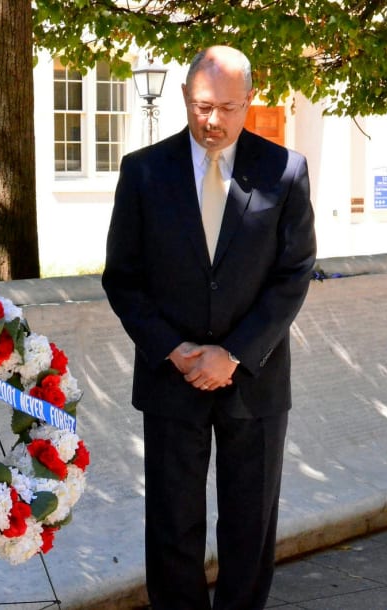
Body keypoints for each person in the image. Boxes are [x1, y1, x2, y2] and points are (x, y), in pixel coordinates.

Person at [102, 45, 316, 609]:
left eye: (226, 107)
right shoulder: (144, 172)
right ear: (184, 98)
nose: (213, 120)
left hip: (256, 380)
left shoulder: (285, 172)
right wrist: (174, 350)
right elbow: (122, 279)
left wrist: (235, 354)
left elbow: (293, 275)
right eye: (201, 106)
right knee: (173, 529)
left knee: (249, 530)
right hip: (172, 379)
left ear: (249, 101)